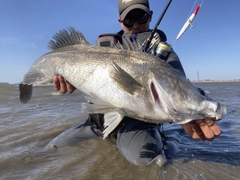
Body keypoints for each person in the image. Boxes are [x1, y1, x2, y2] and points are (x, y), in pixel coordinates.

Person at [49, 0, 221, 166]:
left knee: (150, 163)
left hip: (136, 122)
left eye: (141, 17)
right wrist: (67, 79)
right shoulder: (103, 47)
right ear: (120, 21)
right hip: (96, 121)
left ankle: (167, 138)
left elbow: (177, 82)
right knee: (50, 149)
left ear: (150, 16)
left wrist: (188, 112)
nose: (136, 24)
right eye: (129, 19)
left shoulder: (165, 53)